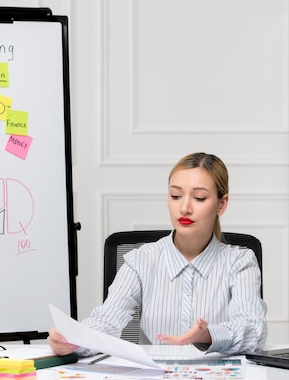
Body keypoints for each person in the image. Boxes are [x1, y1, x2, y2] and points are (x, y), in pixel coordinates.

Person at [48, 152, 267, 356]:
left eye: (199, 198)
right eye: (175, 195)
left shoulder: (240, 262)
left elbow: (253, 331)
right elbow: (107, 321)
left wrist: (208, 335)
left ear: (221, 204)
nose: (184, 208)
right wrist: (74, 339)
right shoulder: (141, 260)